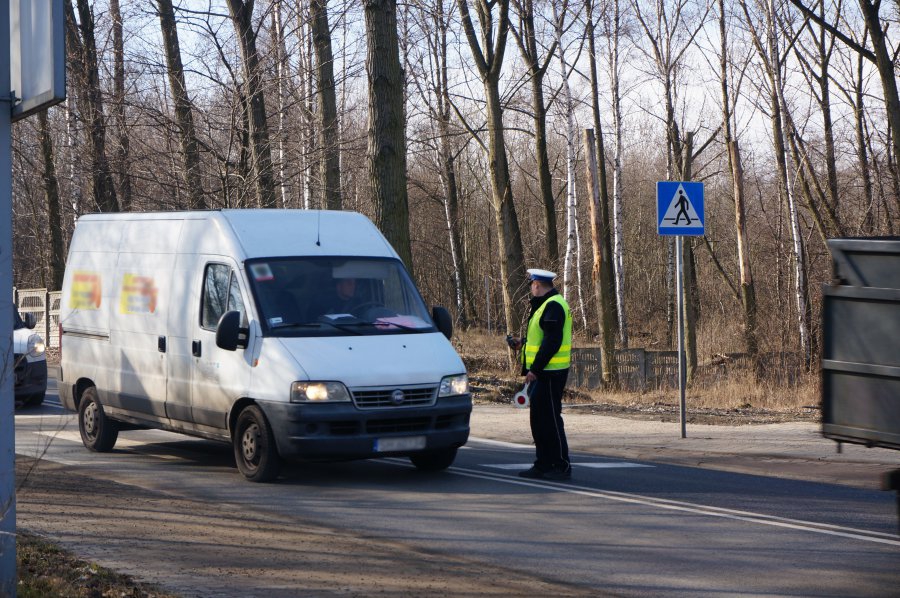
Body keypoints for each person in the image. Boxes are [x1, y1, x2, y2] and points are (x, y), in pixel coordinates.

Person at [507, 268, 573, 480]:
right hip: (544, 372)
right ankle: (543, 464)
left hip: (549, 373)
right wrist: (522, 343)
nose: (530, 290)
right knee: (539, 420)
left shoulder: (553, 305)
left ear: (537, 285)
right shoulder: (547, 305)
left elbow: (552, 342)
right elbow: (543, 337)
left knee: (550, 420)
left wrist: (534, 369)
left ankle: (560, 465)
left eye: (531, 285)